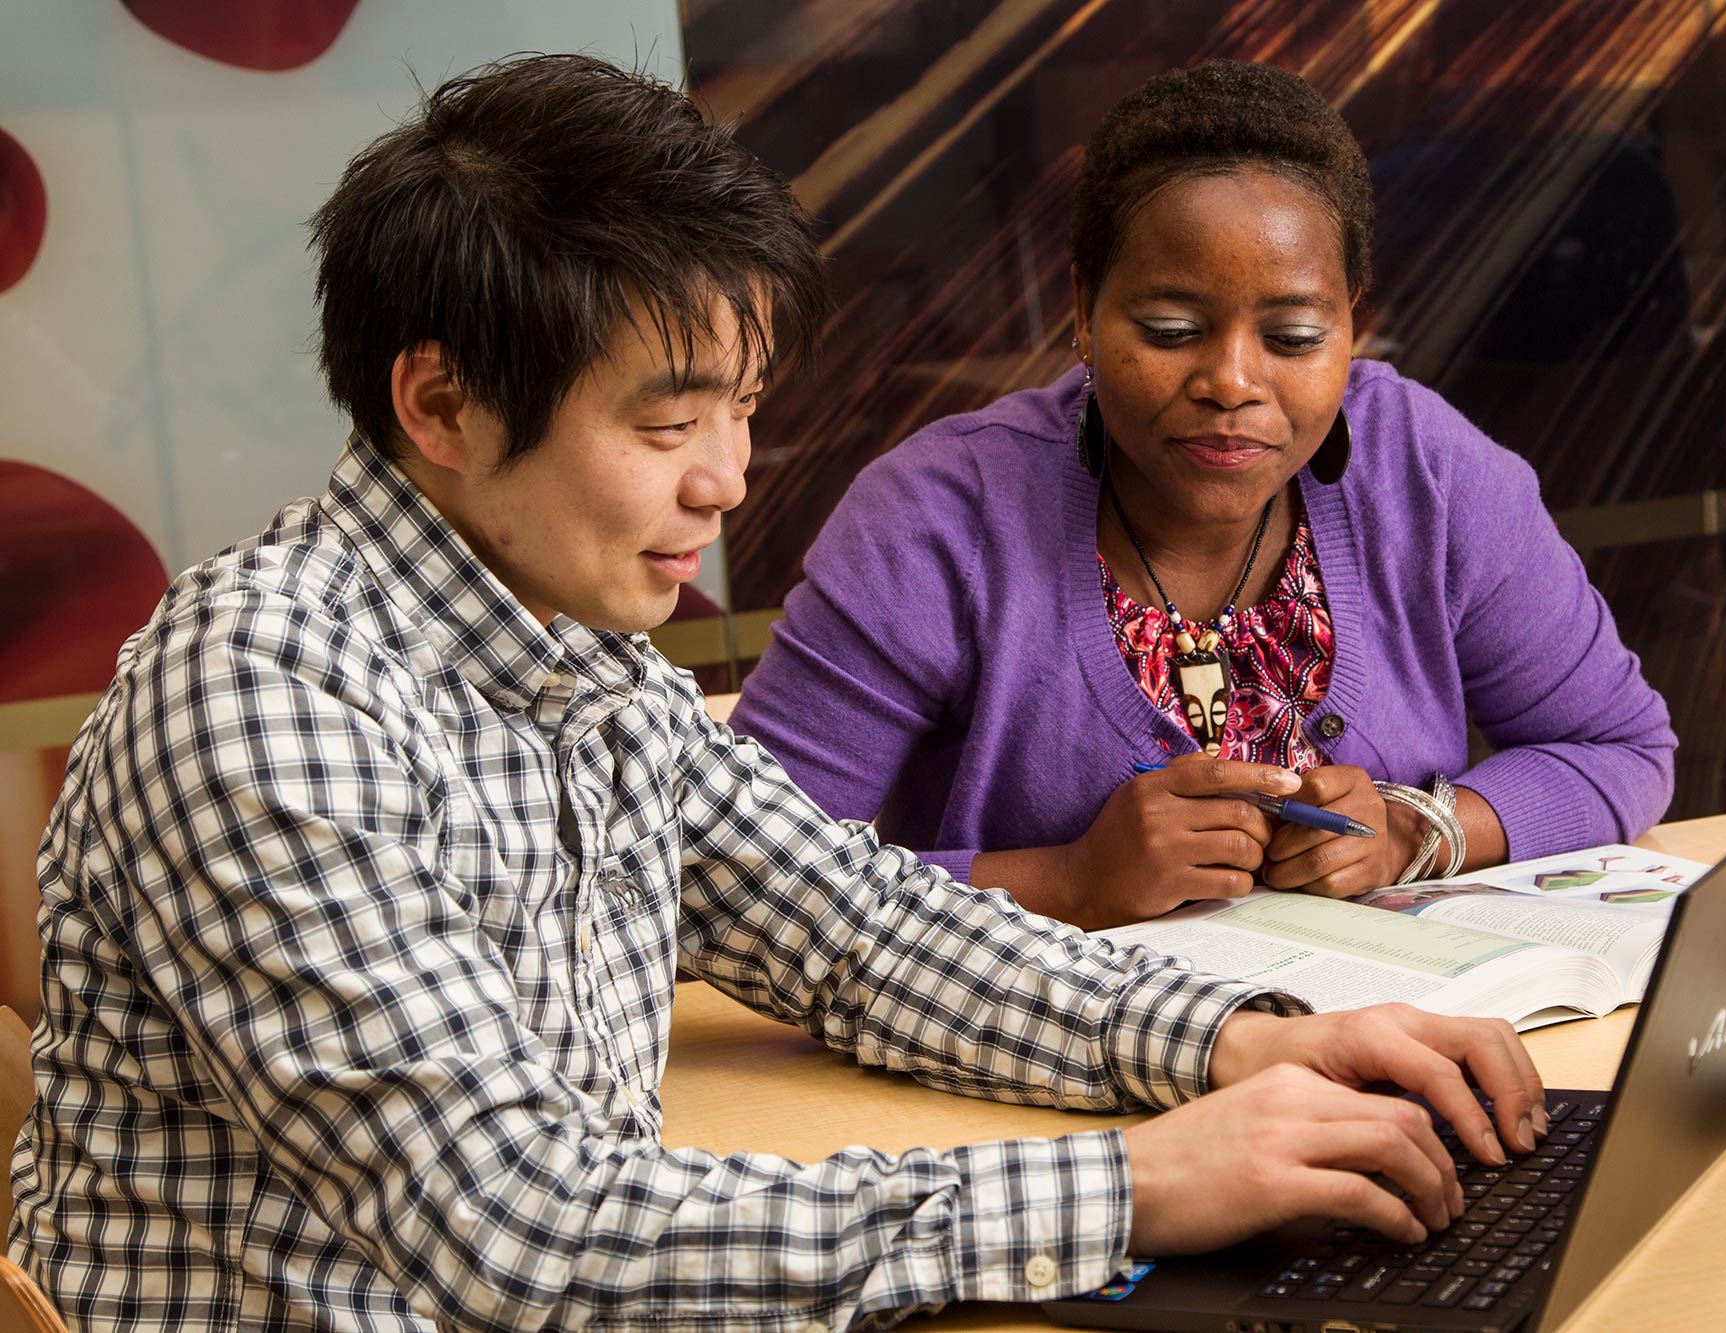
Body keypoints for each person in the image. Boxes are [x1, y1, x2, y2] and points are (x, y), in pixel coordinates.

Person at [7, 55, 1548, 1333]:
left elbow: (860, 932)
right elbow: (521, 1231)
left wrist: (1241, 1041)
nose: (726, 482)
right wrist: (1142, 1185)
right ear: (441, 404)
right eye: (669, 421)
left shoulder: (581, 657)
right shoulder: (267, 698)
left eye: (740, 411)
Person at [731, 60, 1679, 929]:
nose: (1232, 380)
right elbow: (742, 878)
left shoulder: (1423, 472)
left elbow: (1620, 747)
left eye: (1296, 337)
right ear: (1082, 314)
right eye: (1172, 326)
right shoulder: (938, 520)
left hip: (1365, 1051)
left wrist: (1414, 832)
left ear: (1358, 325)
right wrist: (1067, 881)